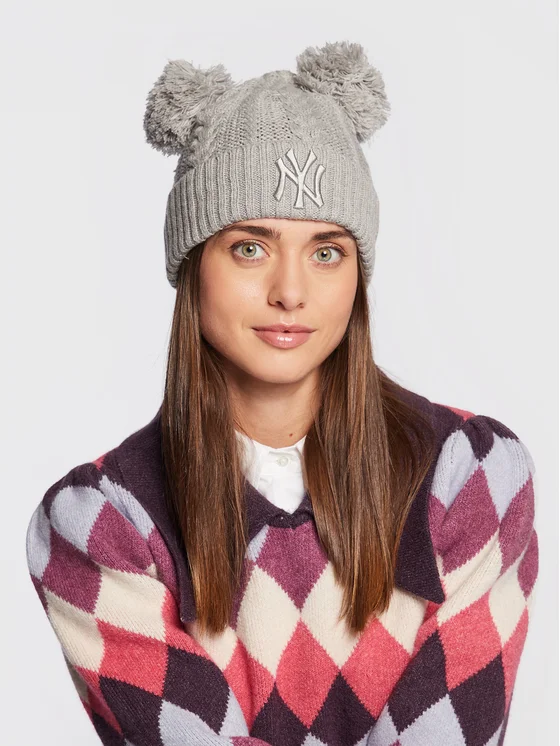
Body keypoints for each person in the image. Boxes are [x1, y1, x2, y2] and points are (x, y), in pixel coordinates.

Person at [25, 40, 539, 746]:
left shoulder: (472, 478)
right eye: (250, 247)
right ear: (192, 266)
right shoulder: (101, 524)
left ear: (358, 274)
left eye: (327, 252)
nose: (290, 292)